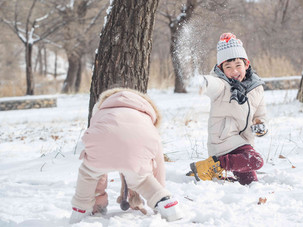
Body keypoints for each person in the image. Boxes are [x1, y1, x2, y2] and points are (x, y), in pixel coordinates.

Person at [70, 88, 182, 224]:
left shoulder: (102, 111)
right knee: (141, 178)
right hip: (140, 142)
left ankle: (81, 208)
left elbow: (101, 174)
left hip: (100, 140)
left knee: (90, 173)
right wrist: (161, 188)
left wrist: (99, 199)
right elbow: (159, 165)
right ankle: (165, 202)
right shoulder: (146, 119)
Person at [189, 33, 268, 185]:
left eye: (238, 65)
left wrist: (260, 124)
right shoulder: (222, 86)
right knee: (256, 161)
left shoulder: (256, 88)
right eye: (228, 67)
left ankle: (217, 171)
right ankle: (213, 166)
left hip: (243, 144)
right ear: (221, 69)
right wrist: (202, 82)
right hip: (222, 142)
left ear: (246, 64)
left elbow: (261, 114)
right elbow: (211, 84)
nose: (234, 71)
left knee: (251, 183)